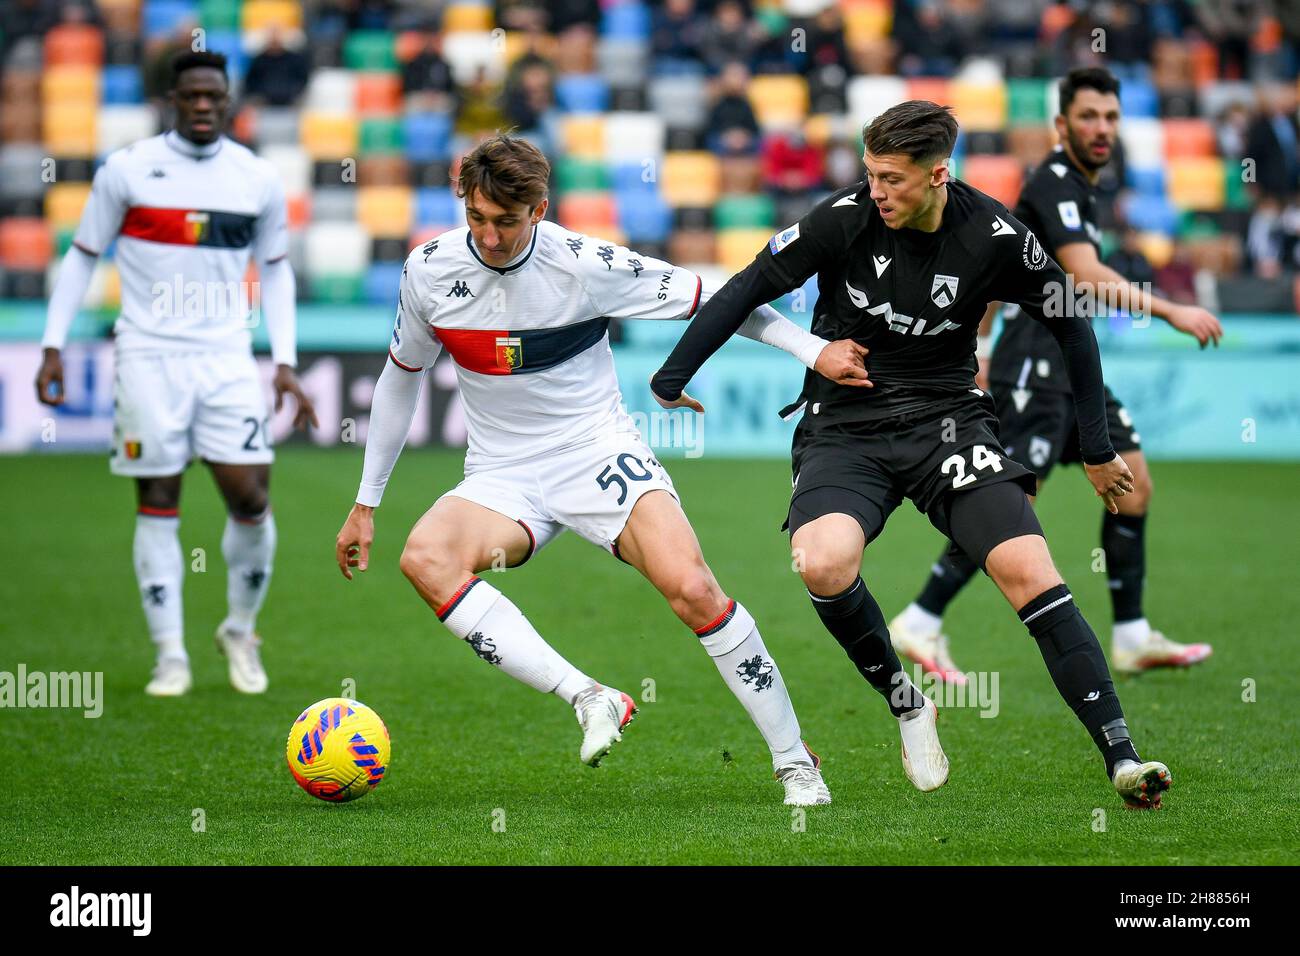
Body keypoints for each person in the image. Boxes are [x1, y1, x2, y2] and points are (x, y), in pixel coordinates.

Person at [651, 100, 1173, 809]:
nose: (877, 192)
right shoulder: (842, 217)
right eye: (870, 174)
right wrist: (671, 377)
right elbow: (746, 287)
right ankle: (907, 702)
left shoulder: (992, 235)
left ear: (938, 175)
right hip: (846, 424)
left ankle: (1124, 758)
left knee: (1029, 569)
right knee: (823, 562)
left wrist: (1096, 448)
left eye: (892, 179)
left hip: (949, 422)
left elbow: (1072, 323)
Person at [334, 135, 866, 805]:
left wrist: (811, 350)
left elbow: (724, 299)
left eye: (507, 220)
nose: (491, 237)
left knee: (694, 589)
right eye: (477, 218)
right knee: (426, 558)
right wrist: (366, 502)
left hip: (596, 451)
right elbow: (400, 378)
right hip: (502, 473)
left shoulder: (585, 264)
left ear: (540, 208)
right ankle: (589, 696)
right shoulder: (428, 272)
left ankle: (795, 763)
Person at [891, 68, 1222, 682]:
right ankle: (921, 617)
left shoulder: (1083, 188)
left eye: (1111, 117)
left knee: (1135, 483)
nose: (1102, 129)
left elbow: (991, 273)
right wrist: (1171, 307)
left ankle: (1130, 634)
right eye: (1089, 117)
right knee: (1011, 501)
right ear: (1061, 125)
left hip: (1068, 365)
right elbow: (1085, 276)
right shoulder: (1052, 181)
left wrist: (980, 341)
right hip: (1035, 367)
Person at [35, 51, 317, 697]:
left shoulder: (256, 178)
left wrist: (285, 360)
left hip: (225, 357)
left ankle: (240, 630)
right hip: (148, 358)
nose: (201, 105)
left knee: (250, 497)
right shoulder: (128, 171)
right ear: (171, 98)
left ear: (228, 102)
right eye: (189, 95)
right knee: (158, 501)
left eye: (212, 95)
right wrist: (52, 344)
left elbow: (274, 269)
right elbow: (81, 257)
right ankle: (171, 656)